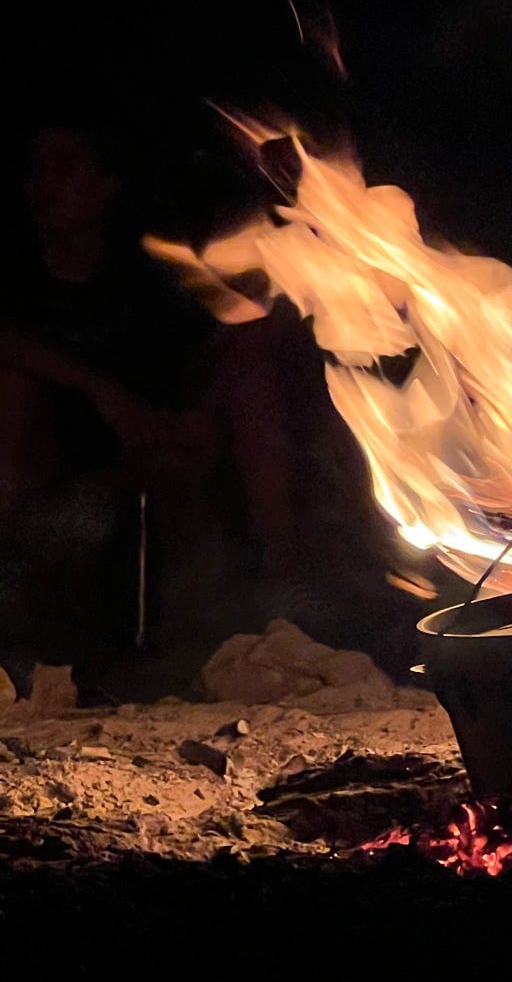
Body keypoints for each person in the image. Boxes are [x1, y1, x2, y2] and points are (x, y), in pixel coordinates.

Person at [0, 120, 300, 678]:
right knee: (14, 386)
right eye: (37, 170)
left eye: (64, 167)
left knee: (246, 373)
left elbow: (217, 347)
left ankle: (285, 584)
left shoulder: (142, 271)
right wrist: (102, 392)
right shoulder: (18, 273)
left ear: (106, 185)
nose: (43, 185)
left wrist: (188, 419)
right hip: (55, 469)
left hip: (145, 453)